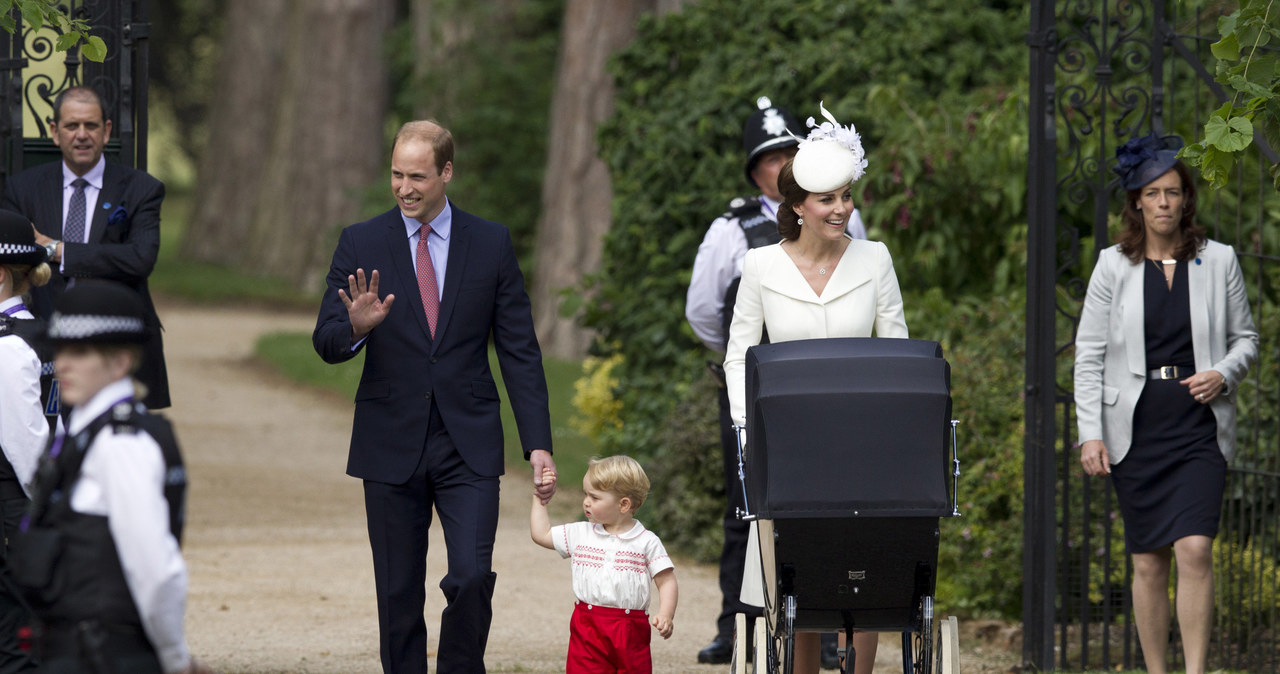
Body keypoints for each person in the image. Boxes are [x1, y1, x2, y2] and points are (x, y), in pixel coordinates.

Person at [313, 120, 556, 673]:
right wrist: (355, 327)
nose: (404, 187)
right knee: (398, 593)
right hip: (389, 438)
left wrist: (537, 442)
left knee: (471, 577)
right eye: (396, 174)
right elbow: (326, 341)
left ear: (446, 172)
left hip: (466, 440)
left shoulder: (490, 242)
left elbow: (519, 348)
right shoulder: (361, 241)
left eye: (417, 176)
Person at [724, 102, 908, 674]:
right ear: (798, 206)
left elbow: (899, 351)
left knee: (865, 573)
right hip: (789, 443)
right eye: (827, 199)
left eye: (846, 196)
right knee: (798, 576)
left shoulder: (875, 259)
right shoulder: (760, 266)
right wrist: (749, 427)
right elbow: (738, 357)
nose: (841, 209)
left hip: (864, 438)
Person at [686, 96, 866, 668]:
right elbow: (704, 310)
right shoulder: (733, 228)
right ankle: (737, 626)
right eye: (771, 156)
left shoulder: (845, 218)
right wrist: (745, 366)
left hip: (836, 388)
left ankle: (835, 622)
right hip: (760, 388)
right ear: (756, 168)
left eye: (791, 150)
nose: (782, 162)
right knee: (748, 508)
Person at [1074, 133, 1258, 674]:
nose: (1163, 203)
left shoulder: (1218, 261)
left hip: (1198, 426)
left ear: (1186, 200)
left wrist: (1221, 374)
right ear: (1136, 201)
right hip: (1135, 428)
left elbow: (1246, 339)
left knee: (1196, 550)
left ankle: (1195, 671)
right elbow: (1088, 354)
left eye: (1172, 192)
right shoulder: (1113, 266)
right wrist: (1091, 433)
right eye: (1152, 193)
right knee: (1149, 563)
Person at [9, 281, 207, 674]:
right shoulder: (83, 431)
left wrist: (175, 658)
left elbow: (154, 566)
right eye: (61, 349)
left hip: (106, 654)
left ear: (120, 362)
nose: (62, 364)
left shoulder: (121, 445)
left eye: (80, 352)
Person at [0, 85, 170, 410]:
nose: (81, 135)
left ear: (106, 131)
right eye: (71, 126)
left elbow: (139, 258)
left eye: (91, 125)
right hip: (42, 337)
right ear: (54, 132)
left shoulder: (142, 189)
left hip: (114, 339)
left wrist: (58, 249)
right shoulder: (23, 189)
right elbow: (15, 259)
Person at [530, 456, 677, 673]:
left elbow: (666, 581)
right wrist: (538, 499)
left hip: (630, 628)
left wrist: (666, 613)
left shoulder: (646, 541)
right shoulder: (581, 533)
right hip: (587, 625)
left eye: (595, 497)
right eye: (586, 494)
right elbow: (541, 534)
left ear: (623, 504)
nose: (586, 501)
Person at [0, 210, 53, 673]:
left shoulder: (8, 346)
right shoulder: (36, 333)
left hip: (14, 505)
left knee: (14, 634)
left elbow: (26, 444)